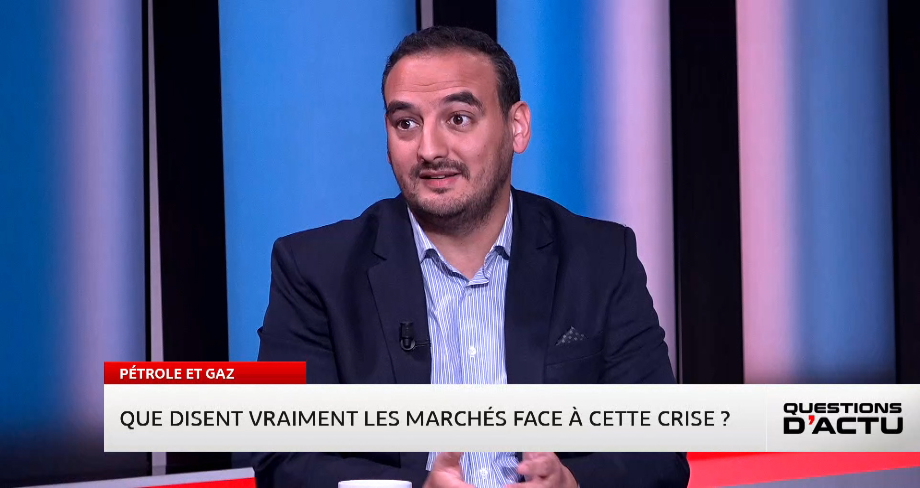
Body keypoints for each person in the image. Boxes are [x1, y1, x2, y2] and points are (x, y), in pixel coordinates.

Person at [253, 26, 690, 488]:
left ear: (517, 127)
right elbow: (283, 458)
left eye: (458, 119)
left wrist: (572, 482)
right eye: (406, 124)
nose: (429, 150)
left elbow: (660, 452)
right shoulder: (314, 269)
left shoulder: (600, 259)